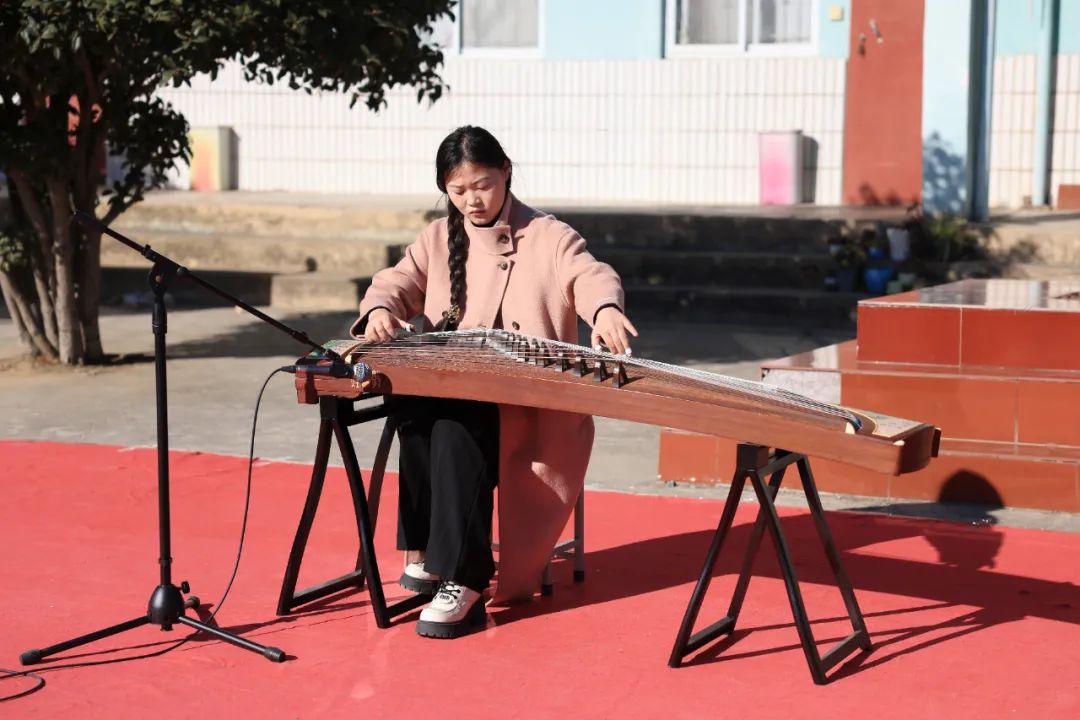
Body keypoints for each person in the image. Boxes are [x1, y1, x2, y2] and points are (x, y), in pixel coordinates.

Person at [351, 125, 637, 639]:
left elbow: (589, 273)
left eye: (481, 185)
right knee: (415, 410)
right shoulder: (439, 238)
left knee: (459, 420)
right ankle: (432, 552)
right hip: (461, 386)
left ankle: (465, 578)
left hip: (532, 406)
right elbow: (398, 281)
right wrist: (379, 308)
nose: (471, 200)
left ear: (506, 171)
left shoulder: (548, 235)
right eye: (457, 192)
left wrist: (607, 310)